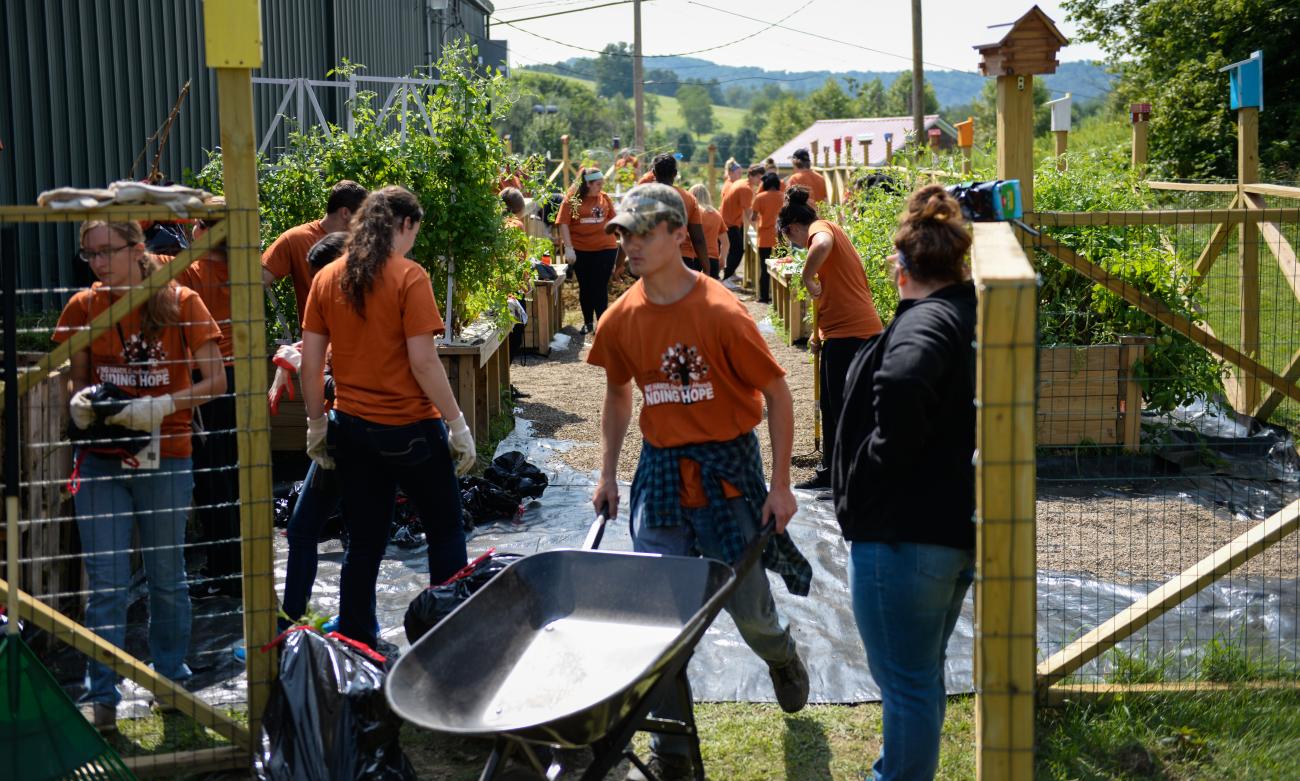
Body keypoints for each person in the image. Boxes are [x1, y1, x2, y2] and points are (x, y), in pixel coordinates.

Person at [588, 184, 811, 781]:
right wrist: (608, 473)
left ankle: (781, 657)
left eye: (642, 232)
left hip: (727, 471)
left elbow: (778, 394)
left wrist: (782, 485)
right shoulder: (620, 318)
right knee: (660, 626)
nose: (630, 245)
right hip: (659, 473)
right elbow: (616, 393)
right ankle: (674, 753)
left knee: (751, 613)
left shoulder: (720, 312)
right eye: (624, 234)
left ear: (677, 234)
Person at [57, 220, 226, 730]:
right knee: (106, 585)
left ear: (137, 249)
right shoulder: (84, 307)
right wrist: (82, 403)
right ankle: (103, 698)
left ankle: (169, 678)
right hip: (102, 458)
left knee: (166, 578)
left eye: (107, 252)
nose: (99, 264)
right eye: (90, 255)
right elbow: (77, 381)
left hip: (166, 451)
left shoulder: (181, 302)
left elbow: (216, 379)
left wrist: (163, 405)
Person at [832, 185, 976, 781]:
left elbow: (904, 380)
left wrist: (872, 468)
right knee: (920, 674)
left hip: (904, 538)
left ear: (902, 267)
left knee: (908, 684)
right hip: (946, 527)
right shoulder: (966, 311)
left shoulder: (927, 322)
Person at [299, 185, 477, 649]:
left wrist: (317, 424)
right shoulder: (409, 277)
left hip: (352, 430)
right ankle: (446, 631)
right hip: (411, 428)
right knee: (444, 529)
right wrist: (456, 423)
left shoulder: (328, 278)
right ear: (405, 224)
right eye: (415, 230)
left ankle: (357, 631)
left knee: (364, 541)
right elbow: (423, 362)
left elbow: (312, 364)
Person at [777, 186, 883, 494]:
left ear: (792, 227)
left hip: (853, 333)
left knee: (845, 409)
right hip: (841, 332)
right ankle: (832, 472)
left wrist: (806, 276)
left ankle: (853, 478)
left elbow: (820, 247)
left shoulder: (819, 231)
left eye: (789, 239)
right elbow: (833, 289)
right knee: (832, 407)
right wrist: (817, 332)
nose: (795, 245)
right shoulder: (828, 228)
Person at [172, 198, 244, 598]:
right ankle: (236, 567)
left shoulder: (192, 272)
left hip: (207, 380)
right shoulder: (243, 272)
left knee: (211, 481)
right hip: (240, 378)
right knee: (235, 476)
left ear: (204, 231)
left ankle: (223, 573)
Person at [261, 180, 368, 323]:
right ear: (345, 213)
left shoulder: (365, 243)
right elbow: (257, 281)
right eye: (362, 218)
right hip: (317, 338)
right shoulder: (296, 239)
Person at [557, 167, 621, 334]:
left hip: (606, 248)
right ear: (587, 184)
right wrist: (569, 248)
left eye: (602, 184)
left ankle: (602, 323)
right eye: (598, 184)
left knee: (600, 286)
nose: (601, 187)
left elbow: (615, 221)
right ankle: (588, 322)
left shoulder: (604, 198)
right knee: (586, 287)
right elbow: (564, 223)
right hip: (581, 249)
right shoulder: (572, 200)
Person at [646, 153, 710, 269]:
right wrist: (706, 267)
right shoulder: (689, 198)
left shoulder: (643, 196)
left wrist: (619, 263)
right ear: (675, 174)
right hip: (682, 259)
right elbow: (698, 239)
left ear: (654, 173)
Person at [720, 164, 762, 281]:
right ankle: (726, 278)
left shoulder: (741, 182)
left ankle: (730, 274)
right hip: (729, 223)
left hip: (728, 220)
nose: (761, 181)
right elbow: (749, 214)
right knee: (738, 250)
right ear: (755, 176)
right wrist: (759, 230)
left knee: (733, 249)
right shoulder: (746, 189)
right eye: (760, 178)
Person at [752, 172, 784, 303]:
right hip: (781, 236)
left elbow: (753, 217)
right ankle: (781, 298)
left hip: (764, 237)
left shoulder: (760, 197)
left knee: (764, 268)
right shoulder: (784, 197)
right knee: (782, 267)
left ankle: (763, 297)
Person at [688, 183, 728, 280]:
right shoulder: (717, 215)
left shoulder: (691, 213)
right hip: (712, 259)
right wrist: (722, 258)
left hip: (693, 257)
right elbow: (725, 242)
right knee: (710, 292)